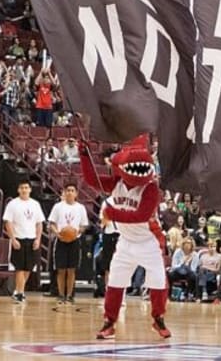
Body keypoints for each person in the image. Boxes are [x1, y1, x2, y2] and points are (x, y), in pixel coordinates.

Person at [79, 135, 171, 340]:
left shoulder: (151, 188)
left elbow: (141, 215)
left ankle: (158, 318)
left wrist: (113, 214)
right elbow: (91, 179)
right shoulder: (118, 182)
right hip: (126, 242)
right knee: (116, 282)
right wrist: (85, 155)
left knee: (157, 281)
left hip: (149, 242)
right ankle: (109, 322)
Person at [2, 179, 45, 303]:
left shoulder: (35, 204)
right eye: (22, 188)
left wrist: (38, 239)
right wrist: (13, 238)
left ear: (30, 189)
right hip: (19, 239)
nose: (24, 190)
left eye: (26, 187)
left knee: (29, 268)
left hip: (31, 239)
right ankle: (20, 293)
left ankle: (18, 290)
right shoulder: (13, 204)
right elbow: (8, 223)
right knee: (19, 267)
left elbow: (39, 223)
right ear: (18, 190)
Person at [47, 182, 89, 304]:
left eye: (72, 190)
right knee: (61, 269)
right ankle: (61, 295)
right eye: (68, 190)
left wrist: (76, 232)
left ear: (76, 193)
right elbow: (52, 223)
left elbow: (84, 225)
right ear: (64, 193)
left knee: (71, 269)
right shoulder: (58, 207)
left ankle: (70, 295)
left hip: (74, 241)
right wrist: (57, 233)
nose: (70, 192)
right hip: (60, 240)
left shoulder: (80, 208)